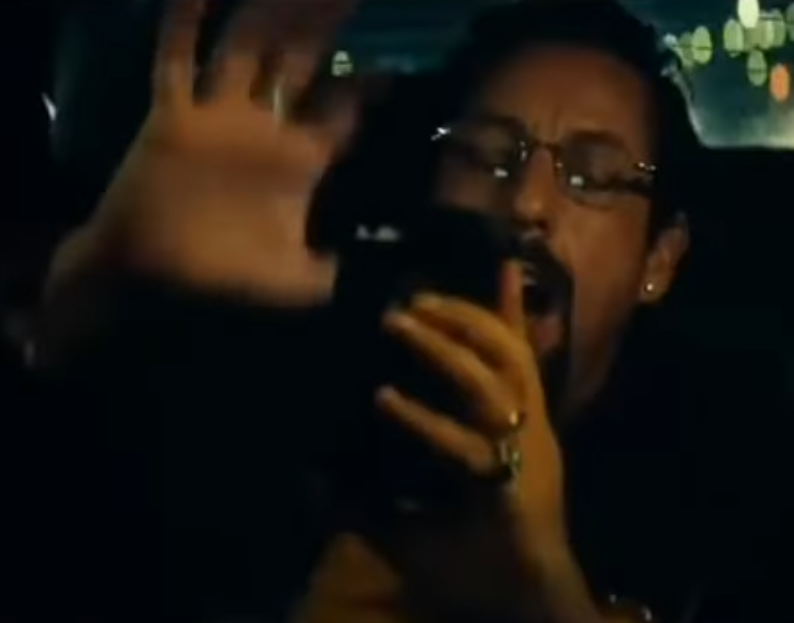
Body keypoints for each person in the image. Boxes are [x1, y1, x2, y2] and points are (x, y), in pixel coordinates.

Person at [41, 0, 789, 621]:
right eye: (485, 154)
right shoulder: (293, 399)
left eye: (594, 176)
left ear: (659, 260)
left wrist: (541, 598)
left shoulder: (739, 485)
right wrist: (91, 291)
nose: (527, 203)